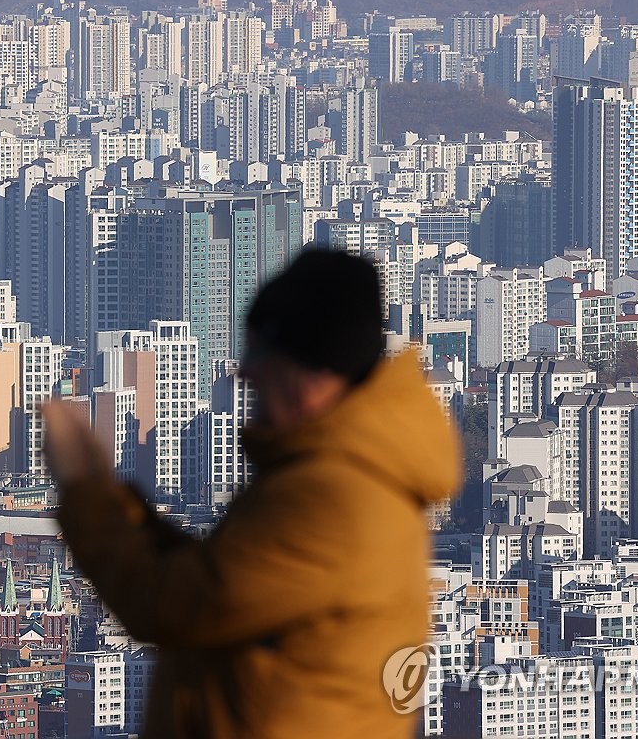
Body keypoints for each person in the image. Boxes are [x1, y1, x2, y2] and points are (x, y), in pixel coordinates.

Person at [43, 248, 462, 738]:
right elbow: (215, 582)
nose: (245, 374)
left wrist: (84, 487)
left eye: (260, 353)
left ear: (308, 373)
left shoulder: (335, 500)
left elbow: (173, 604)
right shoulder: (342, 476)